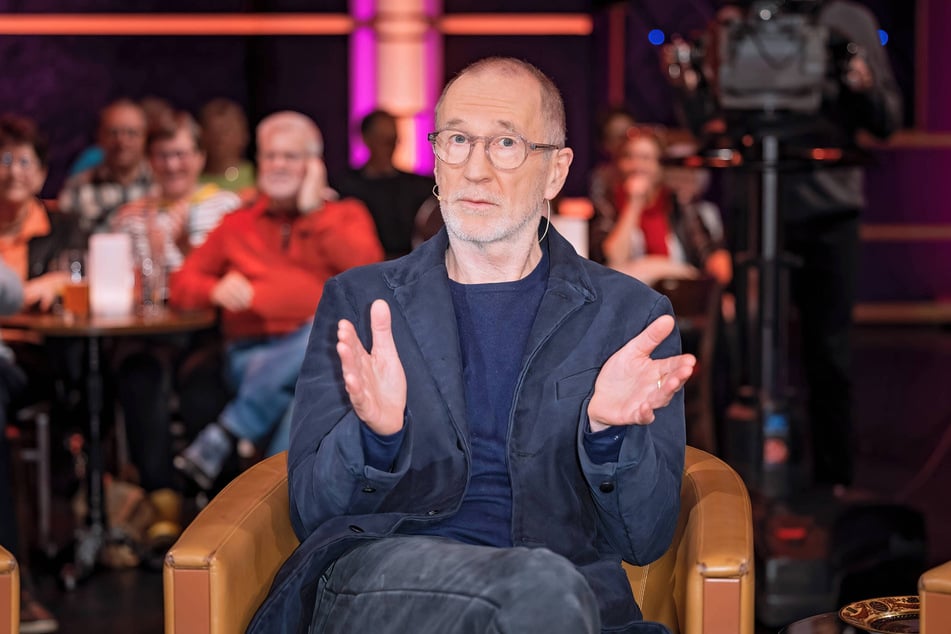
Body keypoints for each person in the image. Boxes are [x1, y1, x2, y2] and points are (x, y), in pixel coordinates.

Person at [248, 57, 695, 634]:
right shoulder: (363, 302)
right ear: (436, 158)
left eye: (506, 144)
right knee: (538, 587)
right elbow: (312, 513)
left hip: (571, 597)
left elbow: (646, 537)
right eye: (457, 141)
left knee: (545, 590)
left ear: (556, 171)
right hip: (386, 583)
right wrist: (373, 439)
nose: (475, 170)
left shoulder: (630, 318)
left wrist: (609, 437)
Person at [664, 0, 902, 492]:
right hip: (753, 204)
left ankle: (833, 485)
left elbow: (886, 119)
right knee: (747, 349)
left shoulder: (847, 20)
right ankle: (739, 481)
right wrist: (689, 84)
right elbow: (708, 122)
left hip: (829, 208)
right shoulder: (734, 20)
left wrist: (858, 80)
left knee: (829, 353)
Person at [169, 111, 384, 490]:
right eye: (270, 156)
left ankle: (230, 434)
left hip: (327, 357)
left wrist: (314, 212)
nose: (278, 165)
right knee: (321, 354)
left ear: (314, 165)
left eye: (290, 156)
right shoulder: (238, 222)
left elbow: (369, 277)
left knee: (322, 343)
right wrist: (213, 289)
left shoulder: (345, 216)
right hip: (252, 356)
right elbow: (181, 283)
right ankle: (279, 508)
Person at [108, 111, 242, 520]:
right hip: (149, 331)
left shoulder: (226, 208)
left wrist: (187, 252)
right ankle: (160, 500)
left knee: (205, 383)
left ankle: (221, 507)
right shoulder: (129, 216)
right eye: (163, 155)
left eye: (181, 154)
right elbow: (118, 284)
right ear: (150, 160)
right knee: (139, 376)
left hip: (208, 330)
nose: (172, 165)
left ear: (199, 157)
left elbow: (233, 276)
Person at [0, 114, 62, 633]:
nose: (11, 170)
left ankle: (13, 587)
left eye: (22, 160)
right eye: (2, 159)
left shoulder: (61, 227)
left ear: (41, 172)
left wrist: (59, 280)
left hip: (32, 359)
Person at [597, 125, 732, 288]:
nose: (637, 165)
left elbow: (707, 251)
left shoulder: (679, 204)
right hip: (630, 294)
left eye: (646, 158)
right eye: (629, 157)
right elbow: (613, 259)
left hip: (678, 292)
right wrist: (634, 204)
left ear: (659, 166)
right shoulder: (607, 204)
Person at [334, 109, 436, 259]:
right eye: (382, 140)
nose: (388, 147)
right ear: (366, 139)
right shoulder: (345, 187)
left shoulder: (418, 187)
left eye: (392, 140)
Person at [58, 98, 153, 236]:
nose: (122, 142)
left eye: (131, 133)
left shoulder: (160, 184)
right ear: (100, 137)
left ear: (145, 138)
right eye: (113, 133)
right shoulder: (78, 187)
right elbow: (63, 239)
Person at [588, 106, 637, 263]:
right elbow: (610, 256)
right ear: (606, 144)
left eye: (629, 135)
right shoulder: (602, 181)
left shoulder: (663, 187)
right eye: (617, 137)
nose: (625, 143)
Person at [198, 97, 256, 195]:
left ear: (244, 135)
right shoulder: (192, 179)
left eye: (226, 131)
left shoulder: (257, 175)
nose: (219, 139)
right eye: (213, 132)